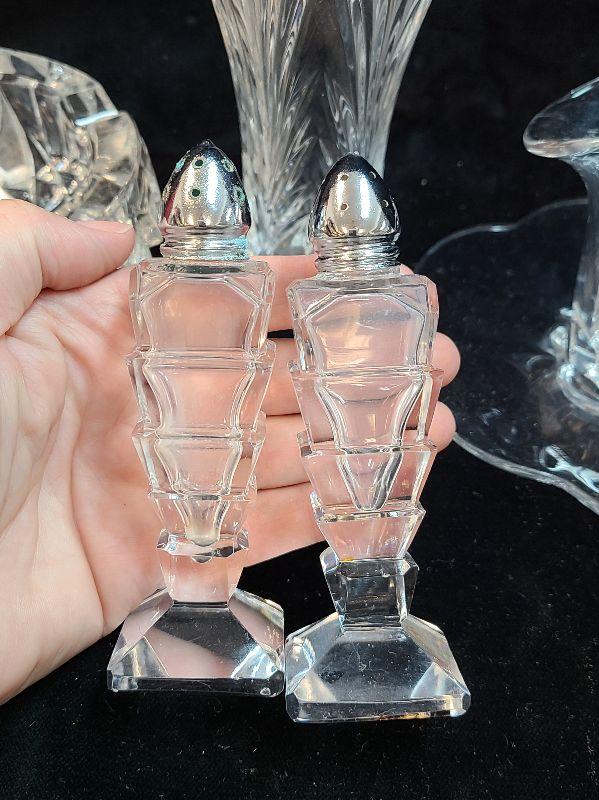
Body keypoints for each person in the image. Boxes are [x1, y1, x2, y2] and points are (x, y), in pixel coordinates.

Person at [0, 199, 460, 703]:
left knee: (366, 458)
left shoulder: (382, 293)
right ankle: (205, 596)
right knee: (211, 441)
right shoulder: (162, 281)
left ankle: (371, 614)